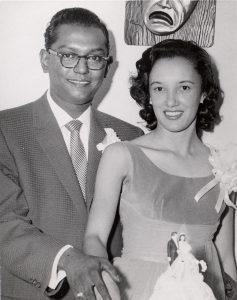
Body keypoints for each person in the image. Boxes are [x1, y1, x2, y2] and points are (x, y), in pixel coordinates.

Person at [0, 7, 143, 300]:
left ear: (107, 66)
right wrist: (66, 259)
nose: (82, 69)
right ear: (44, 59)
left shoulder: (132, 138)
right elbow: (3, 221)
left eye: (94, 57)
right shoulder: (6, 129)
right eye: (68, 55)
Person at [84, 39, 237, 300]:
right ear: (149, 94)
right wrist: (106, 292)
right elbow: (95, 237)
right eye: (159, 88)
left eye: (184, 87)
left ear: (203, 93)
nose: (171, 101)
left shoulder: (223, 166)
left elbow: (225, 256)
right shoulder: (122, 155)